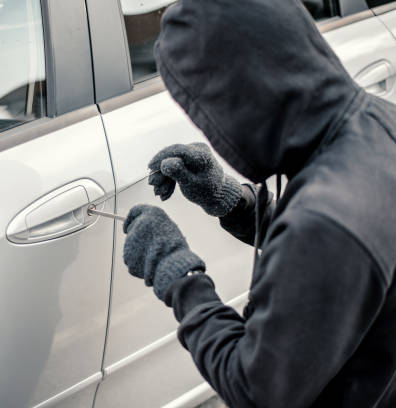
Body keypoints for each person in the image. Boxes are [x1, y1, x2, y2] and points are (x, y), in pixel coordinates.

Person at [121, 1, 396, 407]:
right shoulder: (377, 123)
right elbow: (330, 265)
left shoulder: (324, 222)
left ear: (242, 97)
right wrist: (234, 202)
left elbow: (256, 390)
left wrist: (177, 273)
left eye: (205, 112)